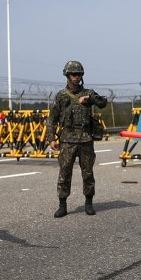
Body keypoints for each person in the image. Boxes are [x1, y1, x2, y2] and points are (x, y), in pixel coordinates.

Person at [47, 61, 108, 218]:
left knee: (87, 173)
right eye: (74, 74)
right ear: (67, 75)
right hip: (67, 139)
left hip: (86, 139)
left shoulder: (89, 92)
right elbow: (52, 119)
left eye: (80, 74)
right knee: (64, 173)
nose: (77, 77)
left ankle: (89, 203)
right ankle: (62, 205)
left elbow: (103, 103)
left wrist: (91, 99)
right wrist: (51, 138)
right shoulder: (60, 96)